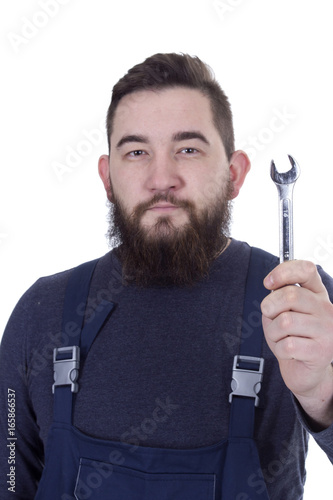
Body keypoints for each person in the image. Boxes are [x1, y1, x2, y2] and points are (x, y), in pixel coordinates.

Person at [0, 52, 332, 500]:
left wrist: (323, 398)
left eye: (188, 149)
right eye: (137, 152)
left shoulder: (297, 304)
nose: (162, 178)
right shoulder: (41, 313)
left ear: (235, 175)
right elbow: (8, 481)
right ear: (108, 177)